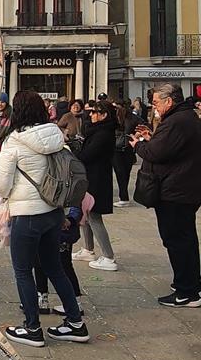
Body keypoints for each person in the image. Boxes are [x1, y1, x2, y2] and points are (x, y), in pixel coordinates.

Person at [0, 90, 89, 347]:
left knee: (23, 270)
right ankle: (76, 323)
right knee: (54, 267)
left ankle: (32, 328)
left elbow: (1, 186)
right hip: (54, 212)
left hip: (27, 215)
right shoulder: (55, 135)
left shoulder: (14, 141)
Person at [131, 83, 201, 306]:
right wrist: (153, 137)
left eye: (156, 103)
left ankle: (186, 291)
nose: (155, 107)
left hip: (175, 191)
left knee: (177, 240)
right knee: (186, 239)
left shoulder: (176, 121)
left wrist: (139, 144)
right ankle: (190, 283)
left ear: (169, 101)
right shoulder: (187, 117)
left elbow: (155, 153)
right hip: (185, 187)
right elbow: (169, 149)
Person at [73, 100, 117, 271]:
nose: (90, 115)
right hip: (89, 177)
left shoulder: (104, 133)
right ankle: (88, 248)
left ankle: (108, 256)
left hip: (97, 179)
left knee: (94, 215)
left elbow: (87, 155)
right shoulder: (96, 130)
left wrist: (75, 152)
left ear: (104, 114)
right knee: (84, 213)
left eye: (94, 112)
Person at [34, 205, 84, 315]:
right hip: (50, 223)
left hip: (62, 228)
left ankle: (75, 301)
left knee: (64, 265)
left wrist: (70, 220)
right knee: (39, 262)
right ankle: (42, 297)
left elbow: (76, 200)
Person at [112, 100, 139, 207]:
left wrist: (136, 135)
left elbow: (144, 125)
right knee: (121, 172)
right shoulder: (113, 117)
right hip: (117, 148)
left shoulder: (131, 118)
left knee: (124, 173)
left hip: (126, 148)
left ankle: (124, 197)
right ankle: (123, 196)